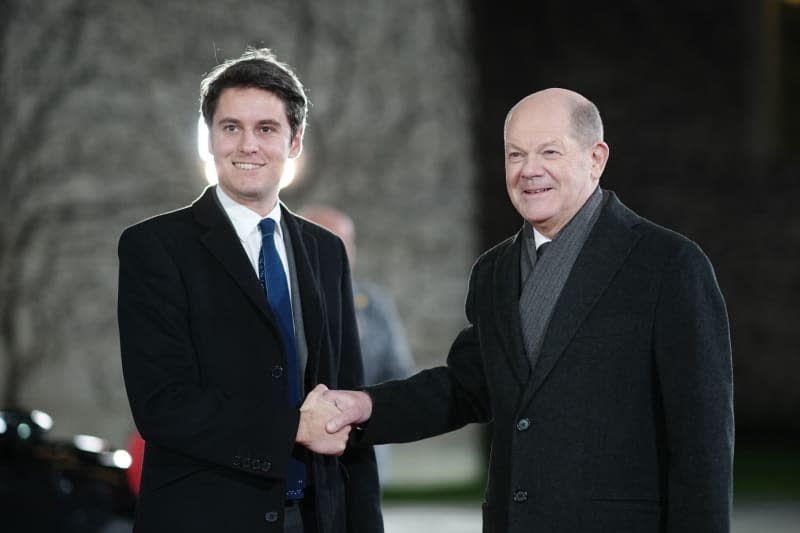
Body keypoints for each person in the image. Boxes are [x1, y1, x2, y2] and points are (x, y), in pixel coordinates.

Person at [316, 88, 734, 532]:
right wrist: (365, 406)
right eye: (515, 155)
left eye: (548, 152)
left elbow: (703, 441)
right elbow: (466, 387)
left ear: (596, 158)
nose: (529, 170)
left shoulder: (667, 264)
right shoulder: (494, 272)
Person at [117, 47, 383, 533]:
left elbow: (348, 406)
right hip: (203, 519)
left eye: (266, 129)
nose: (247, 146)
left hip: (312, 519)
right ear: (209, 139)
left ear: (295, 141)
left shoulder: (326, 252)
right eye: (230, 127)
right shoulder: (153, 247)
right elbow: (163, 406)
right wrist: (292, 429)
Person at [298, 205, 415, 484]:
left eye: (344, 242)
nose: (336, 250)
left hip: (362, 445)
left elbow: (398, 372)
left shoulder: (373, 304)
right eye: (325, 239)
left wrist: (367, 409)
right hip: (300, 444)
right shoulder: (278, 301)